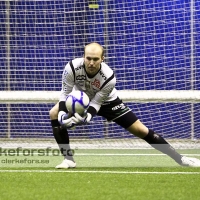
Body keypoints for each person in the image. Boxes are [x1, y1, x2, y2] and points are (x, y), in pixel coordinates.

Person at [49, 42, 200, 169]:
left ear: (103, 58)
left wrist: (87, 117)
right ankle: (68, 159)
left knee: (141, 130)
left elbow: (97, 102)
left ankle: (180, 159)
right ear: (83, 57)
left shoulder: (109, 76)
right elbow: (65, 93)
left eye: (96, 59)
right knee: (54, 113)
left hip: (108, 102)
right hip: (78, 99)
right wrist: (63, 115)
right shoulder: (71, 68)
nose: (91, 63)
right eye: (88, 58)